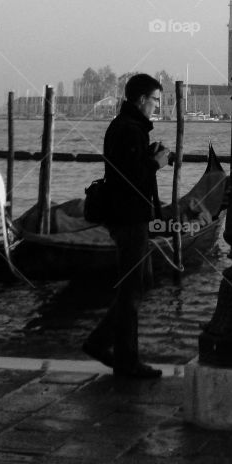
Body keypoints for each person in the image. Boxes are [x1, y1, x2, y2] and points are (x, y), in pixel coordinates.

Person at [83, 73, 170, 378]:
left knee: (139, 282)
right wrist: (155, 163)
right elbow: (132, 178)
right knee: (134, 285)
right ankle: (120, 356)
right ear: (142, 99)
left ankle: (114, 351)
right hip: (128, 216)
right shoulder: (130, 129)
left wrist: (146, 157)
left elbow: (125, 168)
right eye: (156, 100)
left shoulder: (125, 127)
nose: (157, 106)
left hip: (127, 214)